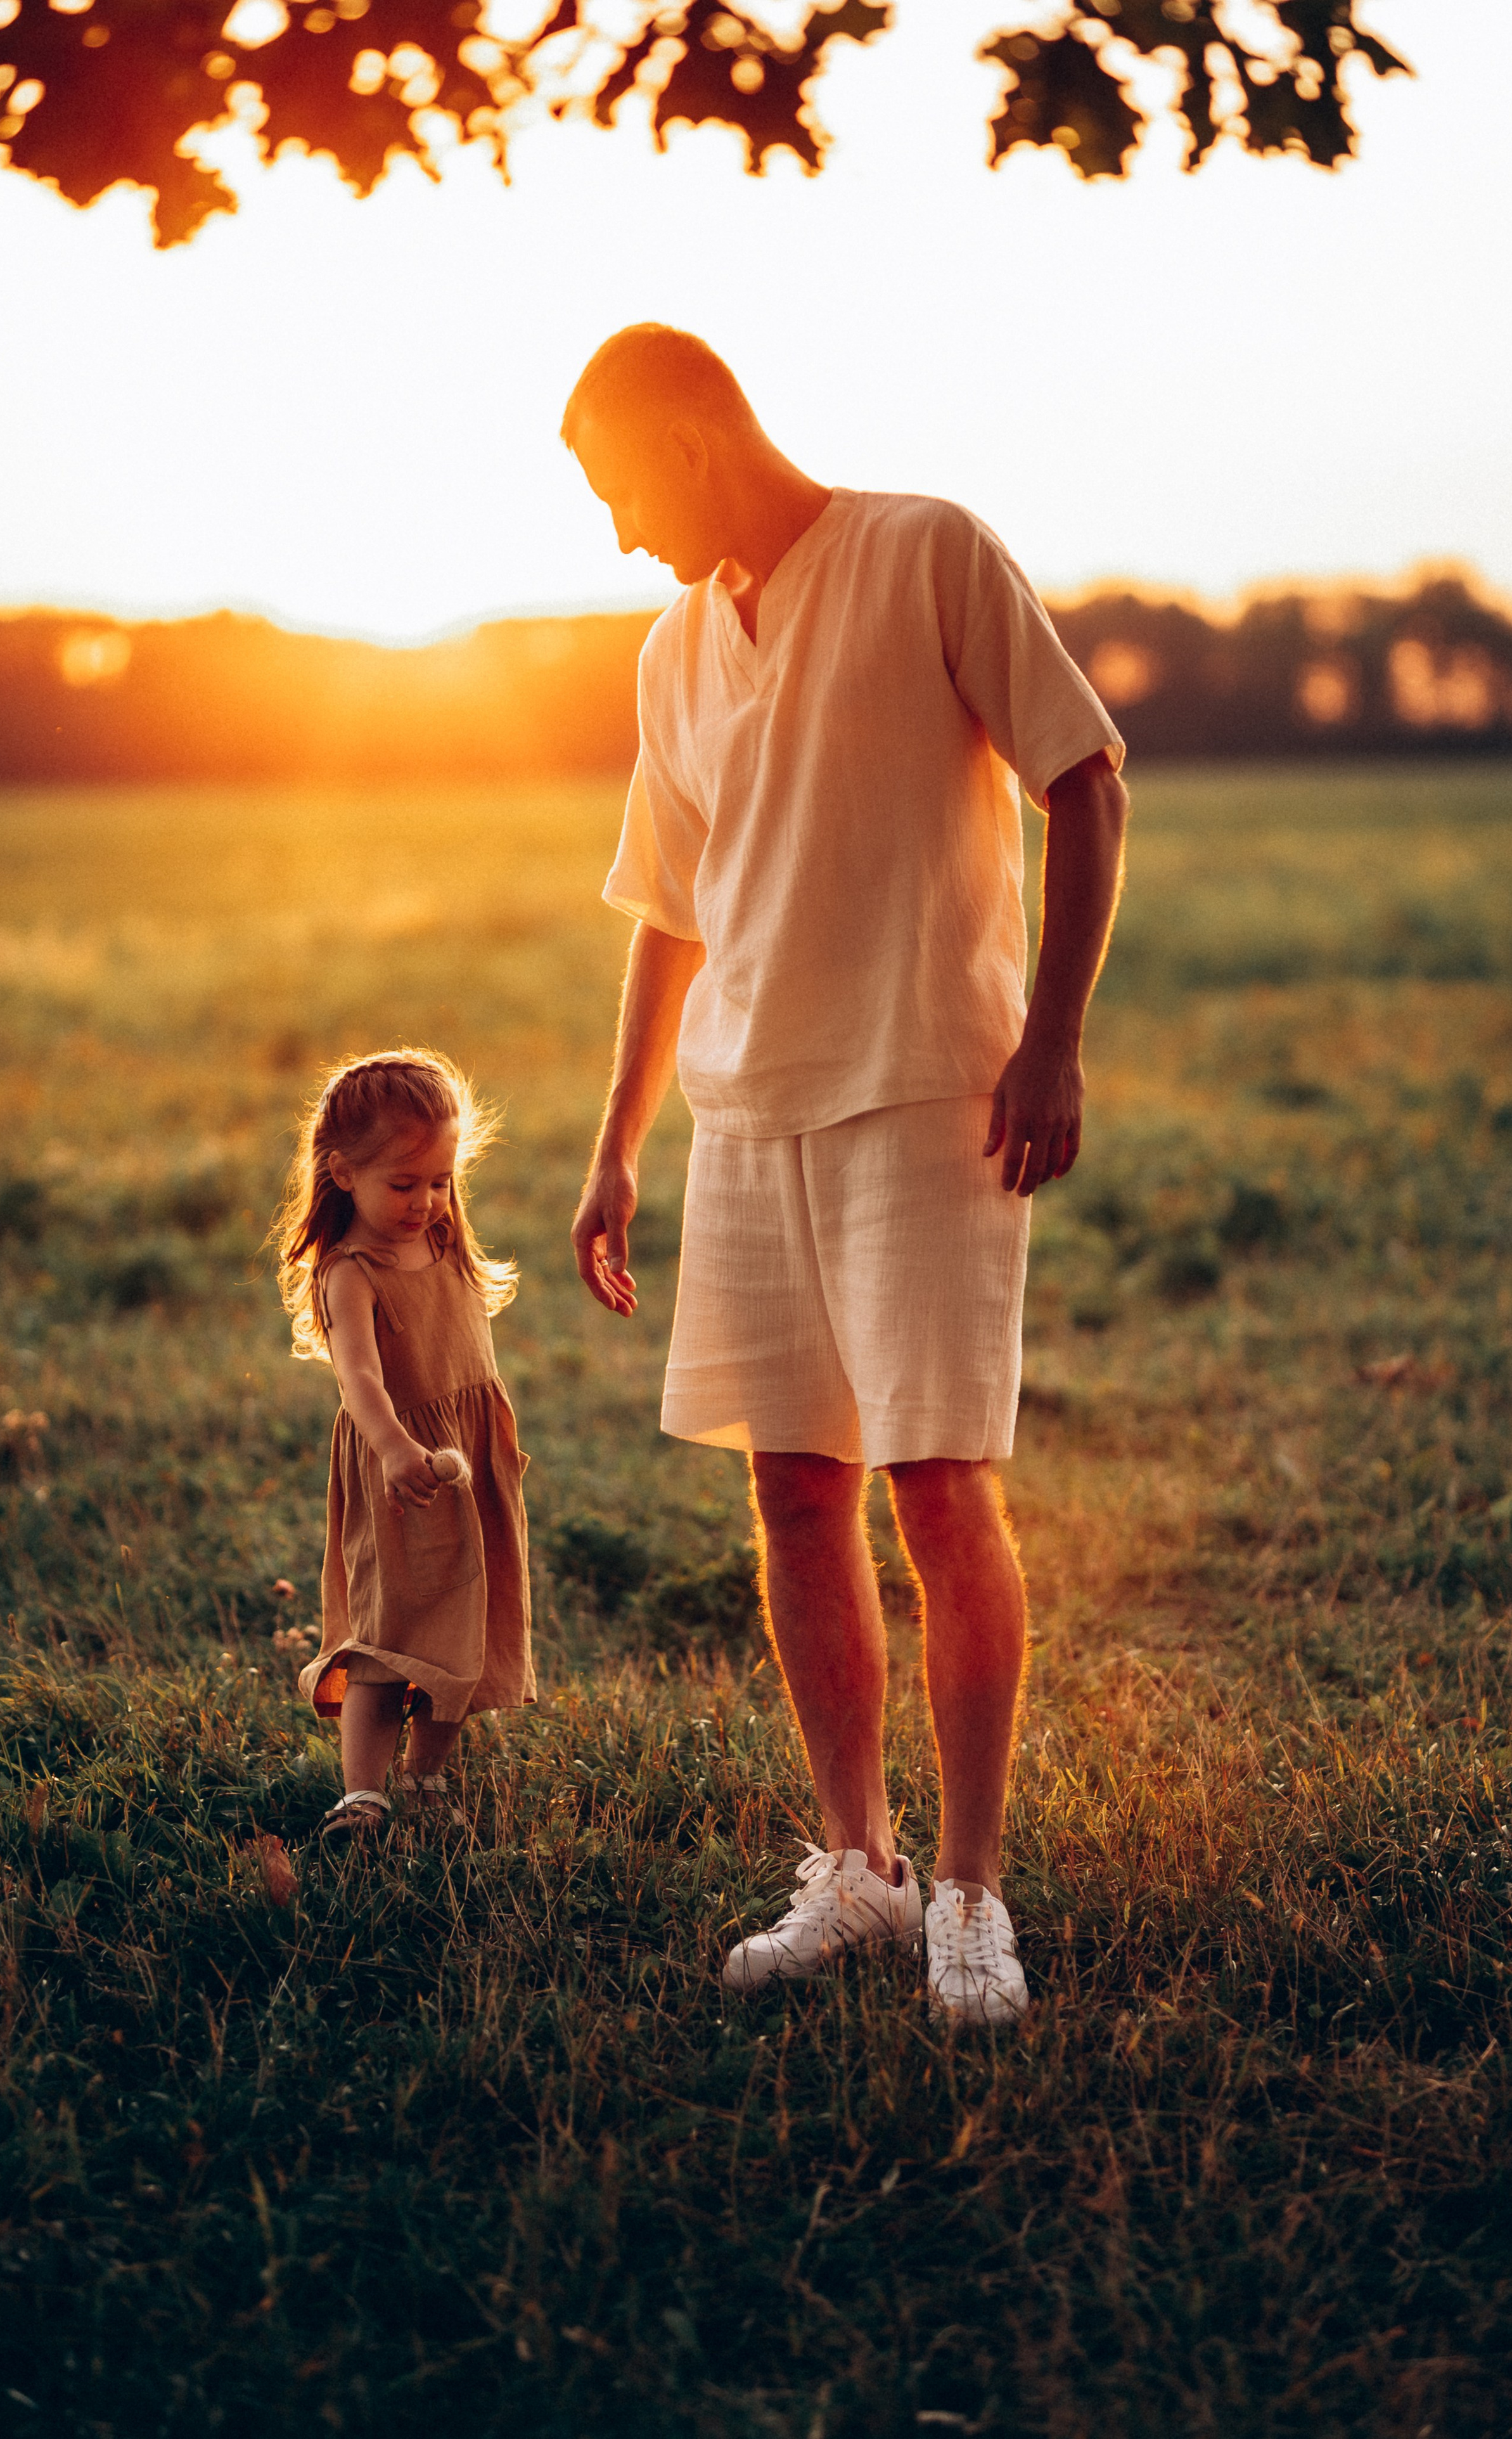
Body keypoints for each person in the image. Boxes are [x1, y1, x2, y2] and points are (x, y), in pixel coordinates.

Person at [563, 325, 1129, 2025]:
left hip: (926, 1098)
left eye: (619, 489)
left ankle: (970, 1894)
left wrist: (1052, 1038)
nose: (618, 534)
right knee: (792, 1489)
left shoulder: (925, 550)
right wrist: (617, 1141)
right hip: (747, 1119)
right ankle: (856, 1870)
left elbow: (1087, 786)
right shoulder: (673, 647)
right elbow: (668, 912)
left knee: (937, 1489)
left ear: (695, 429)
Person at [275, 1050, 533, 1838]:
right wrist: (392, 1446)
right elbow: (358, 1376)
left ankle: (424, 1779)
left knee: (467, 1631)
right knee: (387, 1635)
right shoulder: (350, 1271)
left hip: (468, 1465)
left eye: (441, 1180)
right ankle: (363, 1794)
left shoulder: (445, 1236)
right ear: (342, 1172)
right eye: (405, 1183)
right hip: (398, 1468)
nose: (427, 1200)